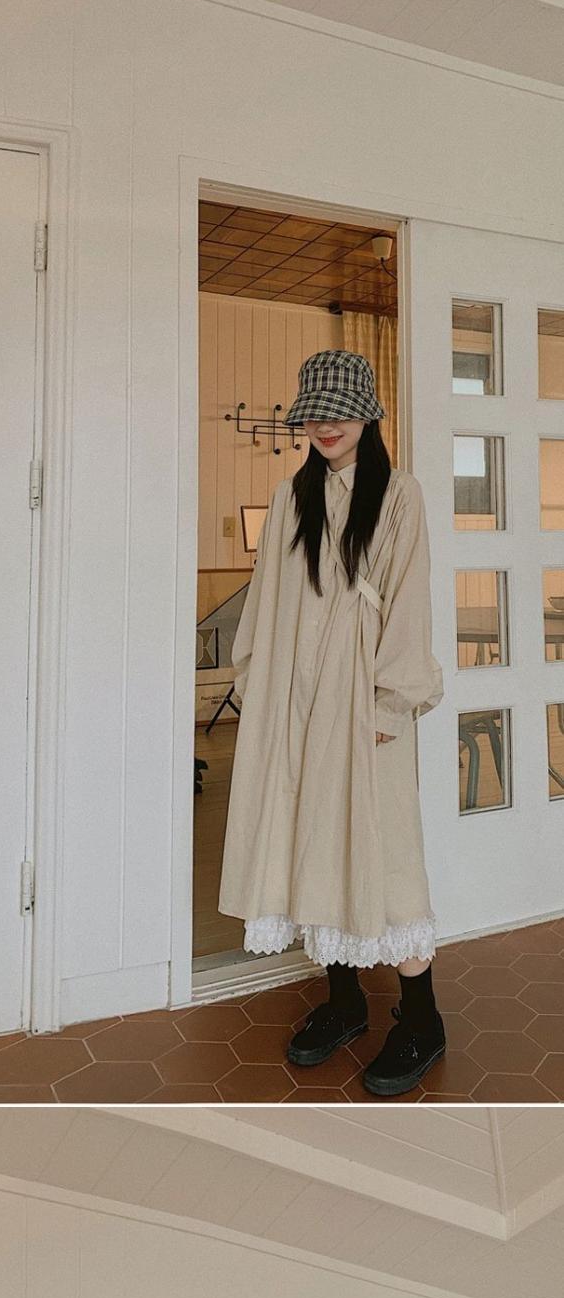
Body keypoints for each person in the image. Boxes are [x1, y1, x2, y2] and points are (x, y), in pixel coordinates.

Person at [218, 347, 445, 1098]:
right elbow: (268, 598)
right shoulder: (292, 497)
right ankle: (345, 1000)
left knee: (384, 849)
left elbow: (408, 601)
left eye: (340, 411)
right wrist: (258, 686)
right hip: (295, 698)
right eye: (315, 412)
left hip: (364, 699)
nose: (326, 425)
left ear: (368, 416)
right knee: (309, 838)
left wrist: (389, 703)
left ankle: (422, 1018)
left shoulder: (400, 496)